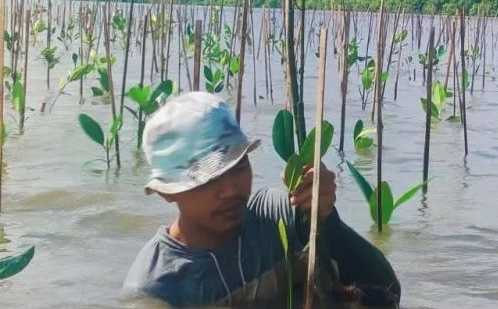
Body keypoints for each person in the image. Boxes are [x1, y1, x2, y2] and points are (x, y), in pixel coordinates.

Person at [122, 91, 401, 308]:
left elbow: (388, 292)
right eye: (208, 180)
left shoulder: (281, 215)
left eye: (239, 166)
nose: (231, 190)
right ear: (166, 192)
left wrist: (327, 222)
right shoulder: (156, 287)